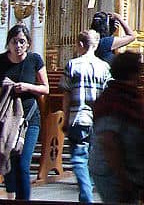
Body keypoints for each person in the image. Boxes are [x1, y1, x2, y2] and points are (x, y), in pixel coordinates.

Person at [89, 52, 144, 205]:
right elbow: (109, 142)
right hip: (114, 174)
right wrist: (123, 178)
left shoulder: (127, 96)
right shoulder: (115, 100)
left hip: (128, 171)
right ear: (134, 73)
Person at [60, 29, 111, 202]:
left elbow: (66, 94)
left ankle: (86, 195)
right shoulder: (104, 67)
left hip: (78, 116)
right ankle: (85, 196)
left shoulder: (73, 65)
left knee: (78, 157)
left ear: (81, 45)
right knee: (89, 157)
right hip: (96, 119)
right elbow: (107, 95)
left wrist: (65, 117)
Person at [0, 24, 49, 201]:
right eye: (14, 42)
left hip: (29, 118)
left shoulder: (35, 60)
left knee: (22, 164)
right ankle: (11, 197)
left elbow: (46, 88)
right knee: (8, 161)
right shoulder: (1, 61)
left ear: (28, 44)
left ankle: (24, 200)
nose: (18, 46)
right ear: (9, 44)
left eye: (22, 42)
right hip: (7, 119)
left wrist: (28, 87)